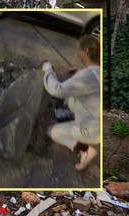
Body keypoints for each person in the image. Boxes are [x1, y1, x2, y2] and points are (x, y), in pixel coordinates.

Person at [42, 35, 100, 171]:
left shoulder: (86, 76)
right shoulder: (97, 71)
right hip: (97, 123)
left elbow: (57, 90)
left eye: (79, 50)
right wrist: (78, 73)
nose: (78, 54)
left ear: (85, 51)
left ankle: (86, 151)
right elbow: (90, 81)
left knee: (53, 131)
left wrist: (48, 70)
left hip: (91, 130)